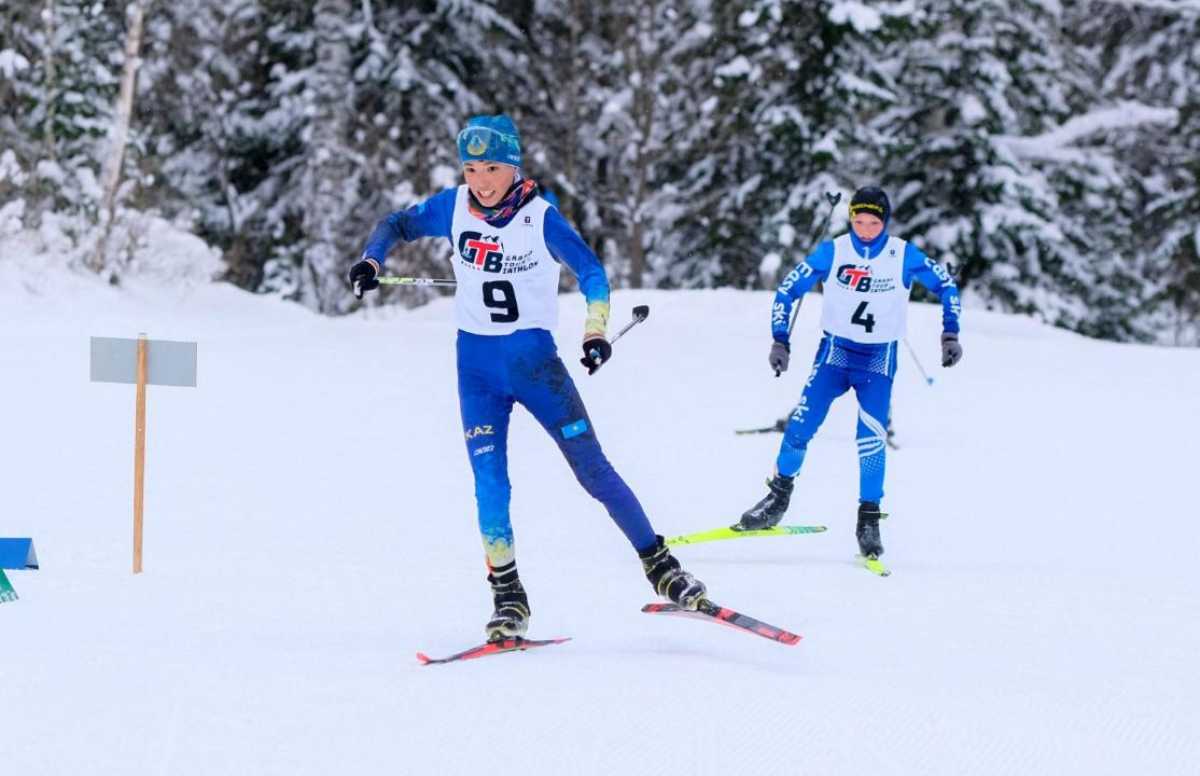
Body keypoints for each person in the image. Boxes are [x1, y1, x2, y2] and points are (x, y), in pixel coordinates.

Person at [348, 114, 706, 641]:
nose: (482, 181)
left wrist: (595, 331)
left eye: (492, 167)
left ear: (514, 166)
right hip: (477, 371)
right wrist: (371, 260)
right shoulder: (454, 206)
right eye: (471, 168)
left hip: (537, 367)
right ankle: (508, 597)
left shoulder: (541, 218)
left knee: (592, 471)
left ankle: (660, 565)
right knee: (490, 483)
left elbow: (593, 274)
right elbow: (395, 224)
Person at [735, 186, 962, 561]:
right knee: (799, 428)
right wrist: (780, 340)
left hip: (877, 360)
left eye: (874, 222)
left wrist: (950, 333)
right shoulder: (834, 251)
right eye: (859, 221)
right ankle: (777, 498)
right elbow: (788, 289)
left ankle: (868, 519)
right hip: (835, 354)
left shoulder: (902, 254)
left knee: (870, 439)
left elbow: (947, 286)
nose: (866, 229)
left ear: (885, 222)